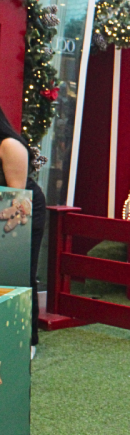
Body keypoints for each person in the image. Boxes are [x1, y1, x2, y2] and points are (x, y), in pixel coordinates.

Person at [0, 105, 46, 359]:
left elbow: (14, 199)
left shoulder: (10, 145)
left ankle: (27, 339)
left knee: (19, 270)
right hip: (3, 207)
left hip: (21, 210)